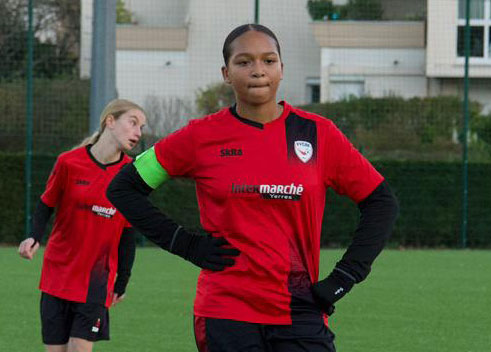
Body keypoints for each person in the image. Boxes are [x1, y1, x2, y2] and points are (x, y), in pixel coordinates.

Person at [107, 24, 398, 352]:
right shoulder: (199, 136)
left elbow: (381, 201)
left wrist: (345, 277)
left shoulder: (318, 134)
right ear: (226, 73)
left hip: (298, 308)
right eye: (244, 62)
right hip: (226, 311)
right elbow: (123, 188)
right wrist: (185, 244)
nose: (258, 70)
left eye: (268, 60)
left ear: (281, 69)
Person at [18, 99, 147, 352]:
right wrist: (33, 237)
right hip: (57, 275)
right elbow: (46, 204)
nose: (138, 133)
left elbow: (127, 234)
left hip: (96, 283)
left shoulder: (131, 174)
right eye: (133, 123)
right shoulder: (68, 162)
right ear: (110, 121)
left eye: (141, 127)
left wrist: (123, 280)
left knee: (79, 348)